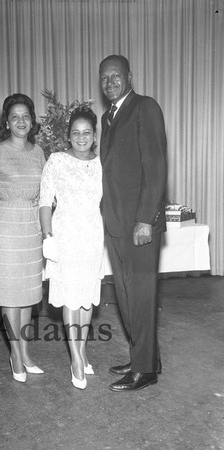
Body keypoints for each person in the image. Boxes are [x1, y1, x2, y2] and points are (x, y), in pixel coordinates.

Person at [99, 55, 167, 392]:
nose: (110, 82)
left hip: (139, 225)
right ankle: (145, 357)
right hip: (115, 221)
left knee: (139, 295)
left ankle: (145, 371)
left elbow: (155, 167)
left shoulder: (145, 107)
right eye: (104, 78)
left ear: (130, 76)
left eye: (116, 75)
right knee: (125, 296)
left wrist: (145, 221)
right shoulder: (107, 117)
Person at [0, 93, 46, 383]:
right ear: (7, 122)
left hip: (31, 227)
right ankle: (15, 355)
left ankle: (26, 352)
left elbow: (46, 195)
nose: (21, 121)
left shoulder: (39, 152)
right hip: (5, 225)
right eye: (15, 116)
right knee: (10, 293)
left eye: (26, 116)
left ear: (32, 121)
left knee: (29, 293)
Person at [39, 106, 104, 390]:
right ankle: (75, 358)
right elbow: (44, 202)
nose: (81, 138)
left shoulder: (101, 163)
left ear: (94, 135)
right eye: (75, 133)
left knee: (86, 298)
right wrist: (48, 237)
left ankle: (82, 350)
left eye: (86, 132)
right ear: (68, 135)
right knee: (69, 297)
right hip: (64, 235)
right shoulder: (56, 160)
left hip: (91, 235)